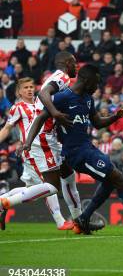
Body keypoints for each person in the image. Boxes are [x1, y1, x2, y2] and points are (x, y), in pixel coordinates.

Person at [24, 65, 123, 236]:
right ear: (85, 80)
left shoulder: (88, 99)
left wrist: (116, 116)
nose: (97, 86)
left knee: (110, 181)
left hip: (88, 148)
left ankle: (84, 219)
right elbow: (40, 118)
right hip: (76, 153)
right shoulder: (62, 98)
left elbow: (97, 122)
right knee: (119, 180)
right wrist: (28, 142)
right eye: (96, 82)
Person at [0, 78, 72, 231]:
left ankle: (3, 201)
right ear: (19, 92)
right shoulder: (18, 107)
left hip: (47, 149)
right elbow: (7, 128)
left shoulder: (42, 104)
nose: (29, 89)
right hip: (32, 150)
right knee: (49, 184)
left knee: (35, 188)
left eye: (31, 86)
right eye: (25, 87)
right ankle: (60, 221)